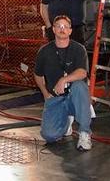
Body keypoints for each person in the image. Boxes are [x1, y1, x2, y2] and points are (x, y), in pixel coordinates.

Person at [33, 14, 93, 151]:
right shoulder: (44, 51)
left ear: (70, 31)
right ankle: (66, 122)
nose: (62, 29)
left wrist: (63, 80)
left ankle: (84, 133)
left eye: (66, 27)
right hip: (56, 98)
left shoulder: (79, 49)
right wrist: (45, 93)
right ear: (53, 29)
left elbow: (82, 72)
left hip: (74, 98)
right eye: (59, 26)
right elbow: (37, 74)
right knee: (49, 135)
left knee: (79, 86)